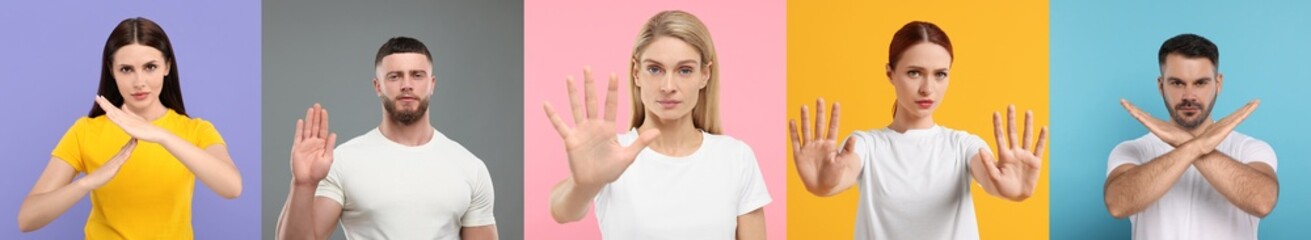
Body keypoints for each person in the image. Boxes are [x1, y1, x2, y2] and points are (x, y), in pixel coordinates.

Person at [789, 21, 1048, 239]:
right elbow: (839, 177)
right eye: (914, 73)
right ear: (890, 74)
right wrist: (822, 184)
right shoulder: (866, 144)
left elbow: (992, 180)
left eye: (940, 74)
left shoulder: (962, 145)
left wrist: (1014, 190)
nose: (928, 88)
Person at [543, 10, 770, 239]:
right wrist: (584, 185)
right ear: (636, 73)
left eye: (684, 70)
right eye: (654, 69)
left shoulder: (736, 157)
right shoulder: (613, 154)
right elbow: (561, 210)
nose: (668, 85)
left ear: (705, 75)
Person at [16, 17, 243, 239]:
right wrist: (87, 183)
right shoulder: (85, 131)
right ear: (112, 70)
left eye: (150, 67)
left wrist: (161, 135)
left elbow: (232, 187)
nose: (139, 81)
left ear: (167, 66)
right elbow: (27, 219)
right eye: (126, 69)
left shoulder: (196, 130)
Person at [276, 36, 498, 240]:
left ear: (432, 84)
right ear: (378, 86)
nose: (407, 84)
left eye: (417, 75)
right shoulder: (342, 162)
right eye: (395, 76)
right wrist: (303, 184)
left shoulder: (470, 167)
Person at [1105, 33, 1276, 240]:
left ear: (1218, 83)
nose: (1189, 96)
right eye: (1177, 83)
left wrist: (1184, 143)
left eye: (1200, 83)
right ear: (1161, 86)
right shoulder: (1132, 150)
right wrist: (1196, 145)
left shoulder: (1250, 148)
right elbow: (1117, 204)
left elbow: (1263, 202)